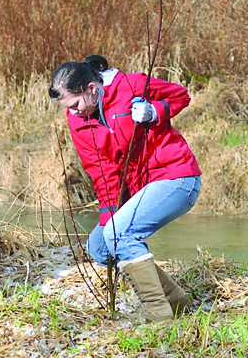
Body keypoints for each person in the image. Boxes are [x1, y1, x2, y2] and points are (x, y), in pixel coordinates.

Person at [48, 54, 202, 322]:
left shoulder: (131, 85)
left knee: (120, 234)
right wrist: (110, 223)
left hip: (176, 177)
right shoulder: (77, 121)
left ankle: (159, 317)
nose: (72, 112)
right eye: (67, 107)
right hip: (140, 189)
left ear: (91, 89)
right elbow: (101, 172)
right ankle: (178, 304)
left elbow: (180, 96)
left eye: (74, 104)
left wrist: (155, 111)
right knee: (100, 247)